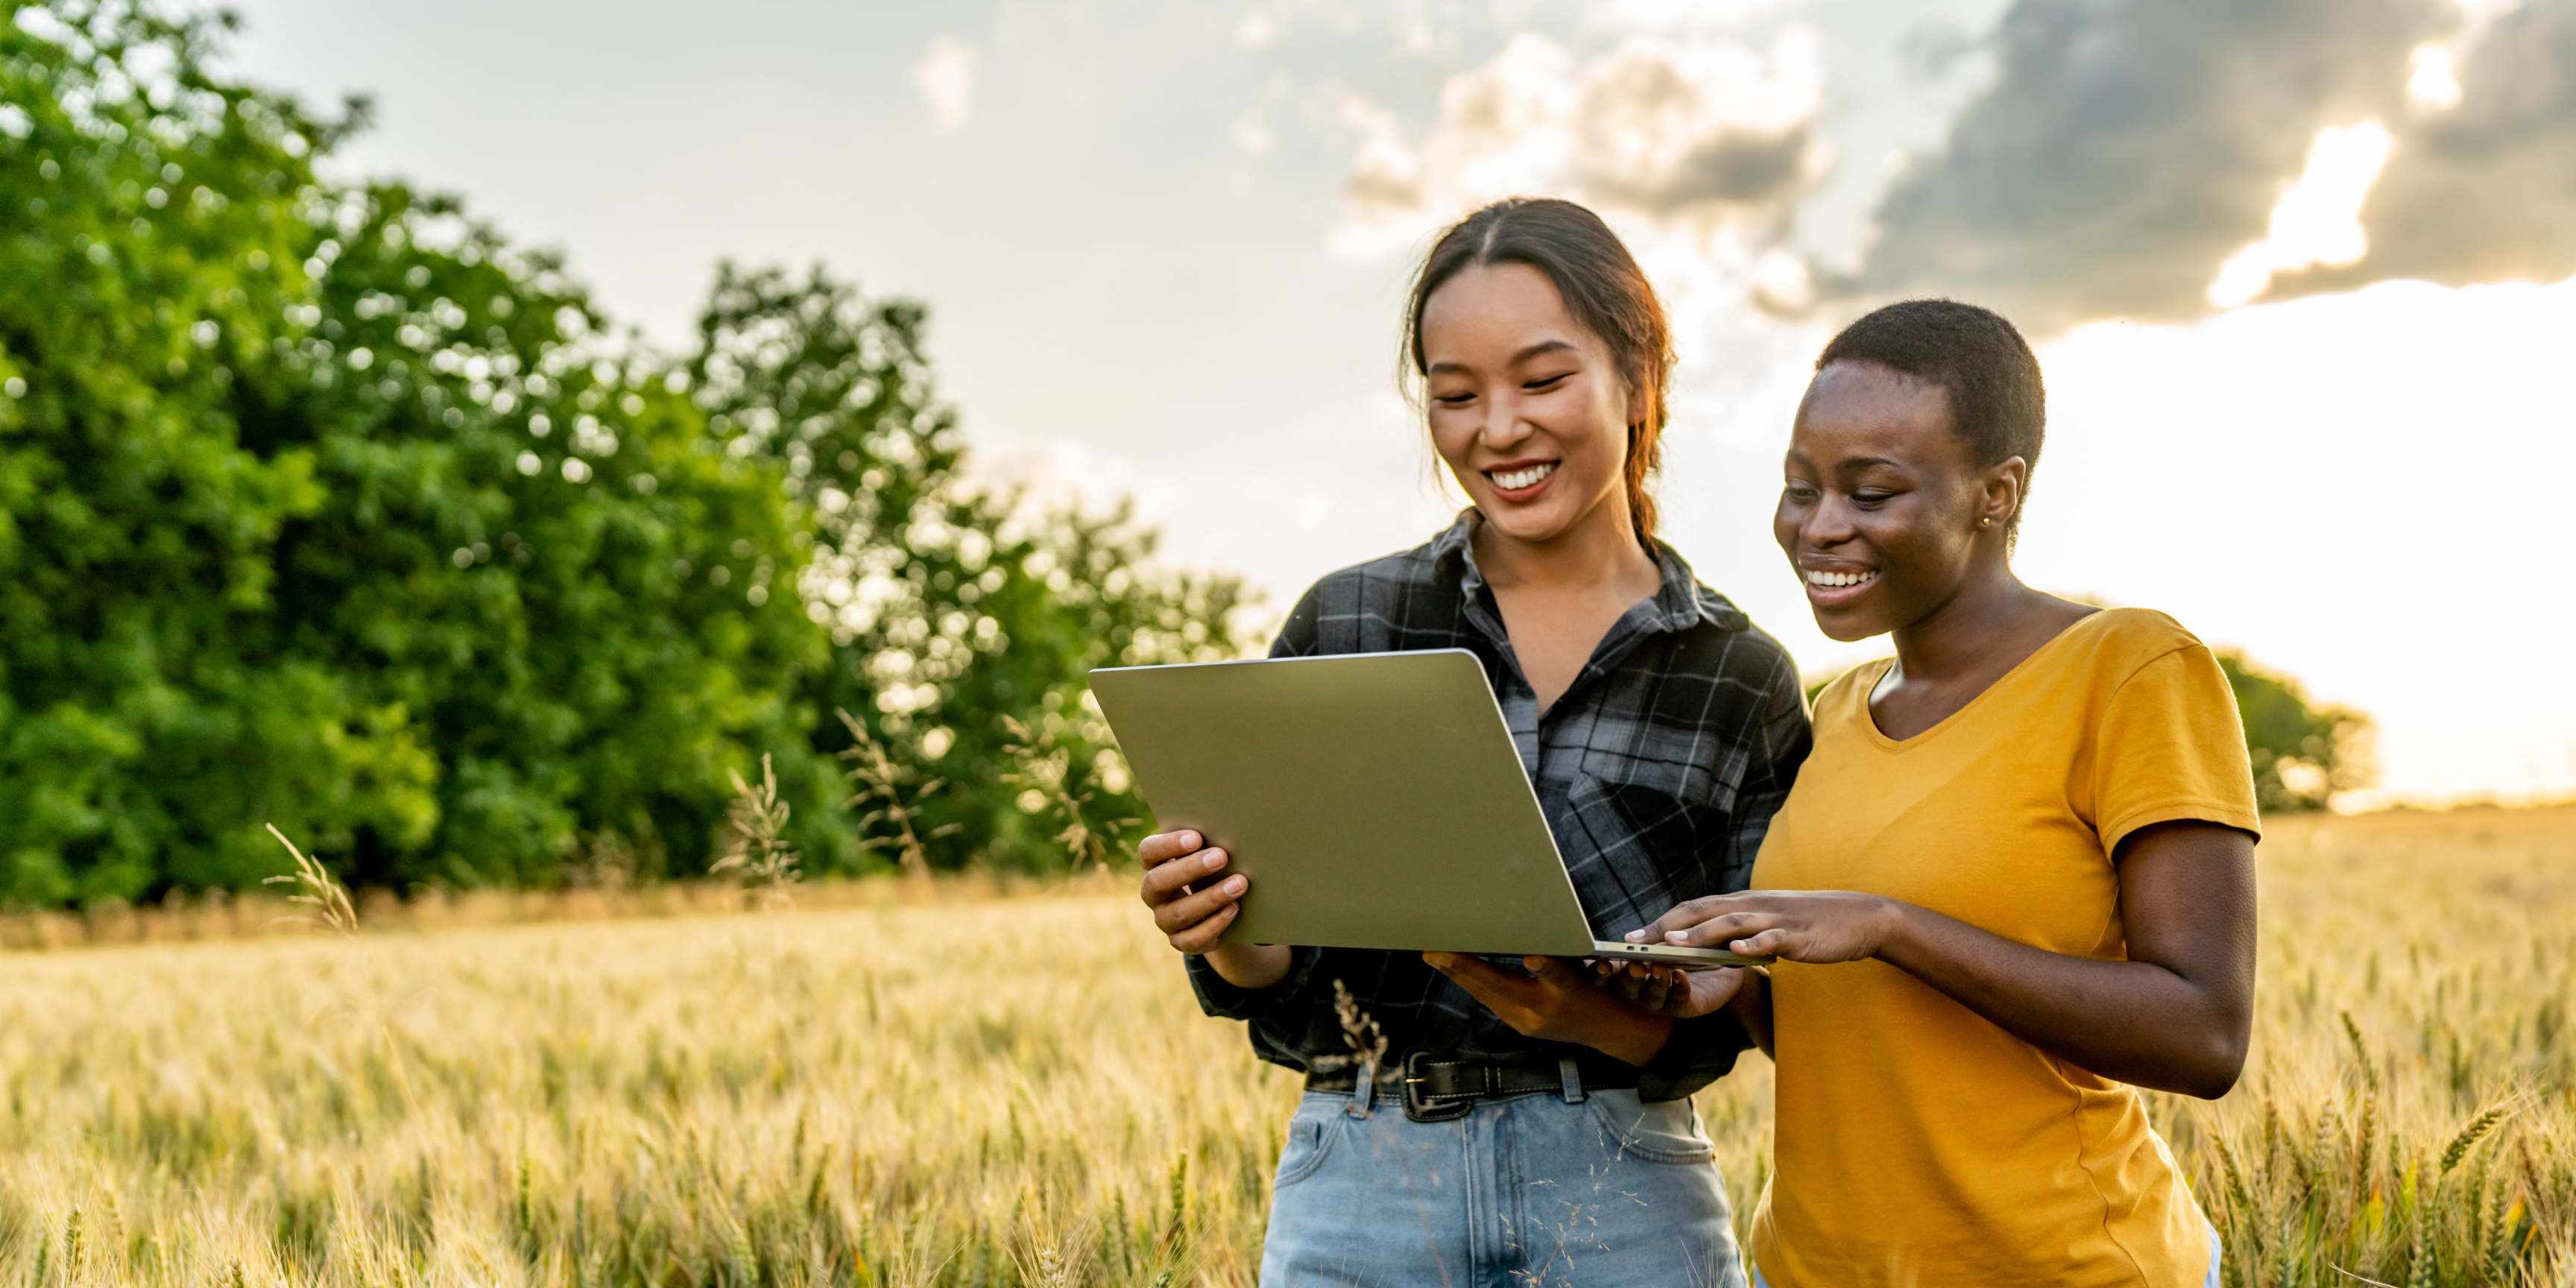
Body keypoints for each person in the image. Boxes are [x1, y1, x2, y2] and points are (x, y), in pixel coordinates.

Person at [1131, 197, 1811, 1285]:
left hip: (1623, 1178)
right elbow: (1274, 973)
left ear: (1640, 380)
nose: (1497, 429)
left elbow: (1744, 1016)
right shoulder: (1346, 625)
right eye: (1456, 396)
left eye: (1542, 381)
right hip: (1365, 1178)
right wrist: (1215, 922)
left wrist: (1596, 1013)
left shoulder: (1738, 674)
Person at [1626, 299, 2260, 1287]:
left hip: (2059, 1265)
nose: (1821, 527)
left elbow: (2206, 1033)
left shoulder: (2129, 668)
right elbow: (1878, 1053)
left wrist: (1891, 924)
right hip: (1811, 1268)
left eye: (1872, 492)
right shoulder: (1836, 712)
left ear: (1995, 492)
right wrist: (1742, 989)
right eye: (1801, 489)